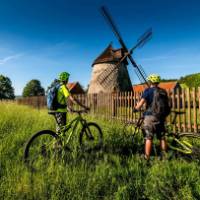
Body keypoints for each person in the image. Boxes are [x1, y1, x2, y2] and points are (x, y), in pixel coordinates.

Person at [134, 74, 170, 160]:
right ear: (158, 82)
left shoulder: (148, 91)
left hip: (150, 117)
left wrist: (135, 109)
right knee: (162, 137)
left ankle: (147, 157)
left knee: (149, 137)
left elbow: (141, 104)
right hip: (161, 116)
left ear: (150, 82)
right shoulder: (163, 91)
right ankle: (164, 157)